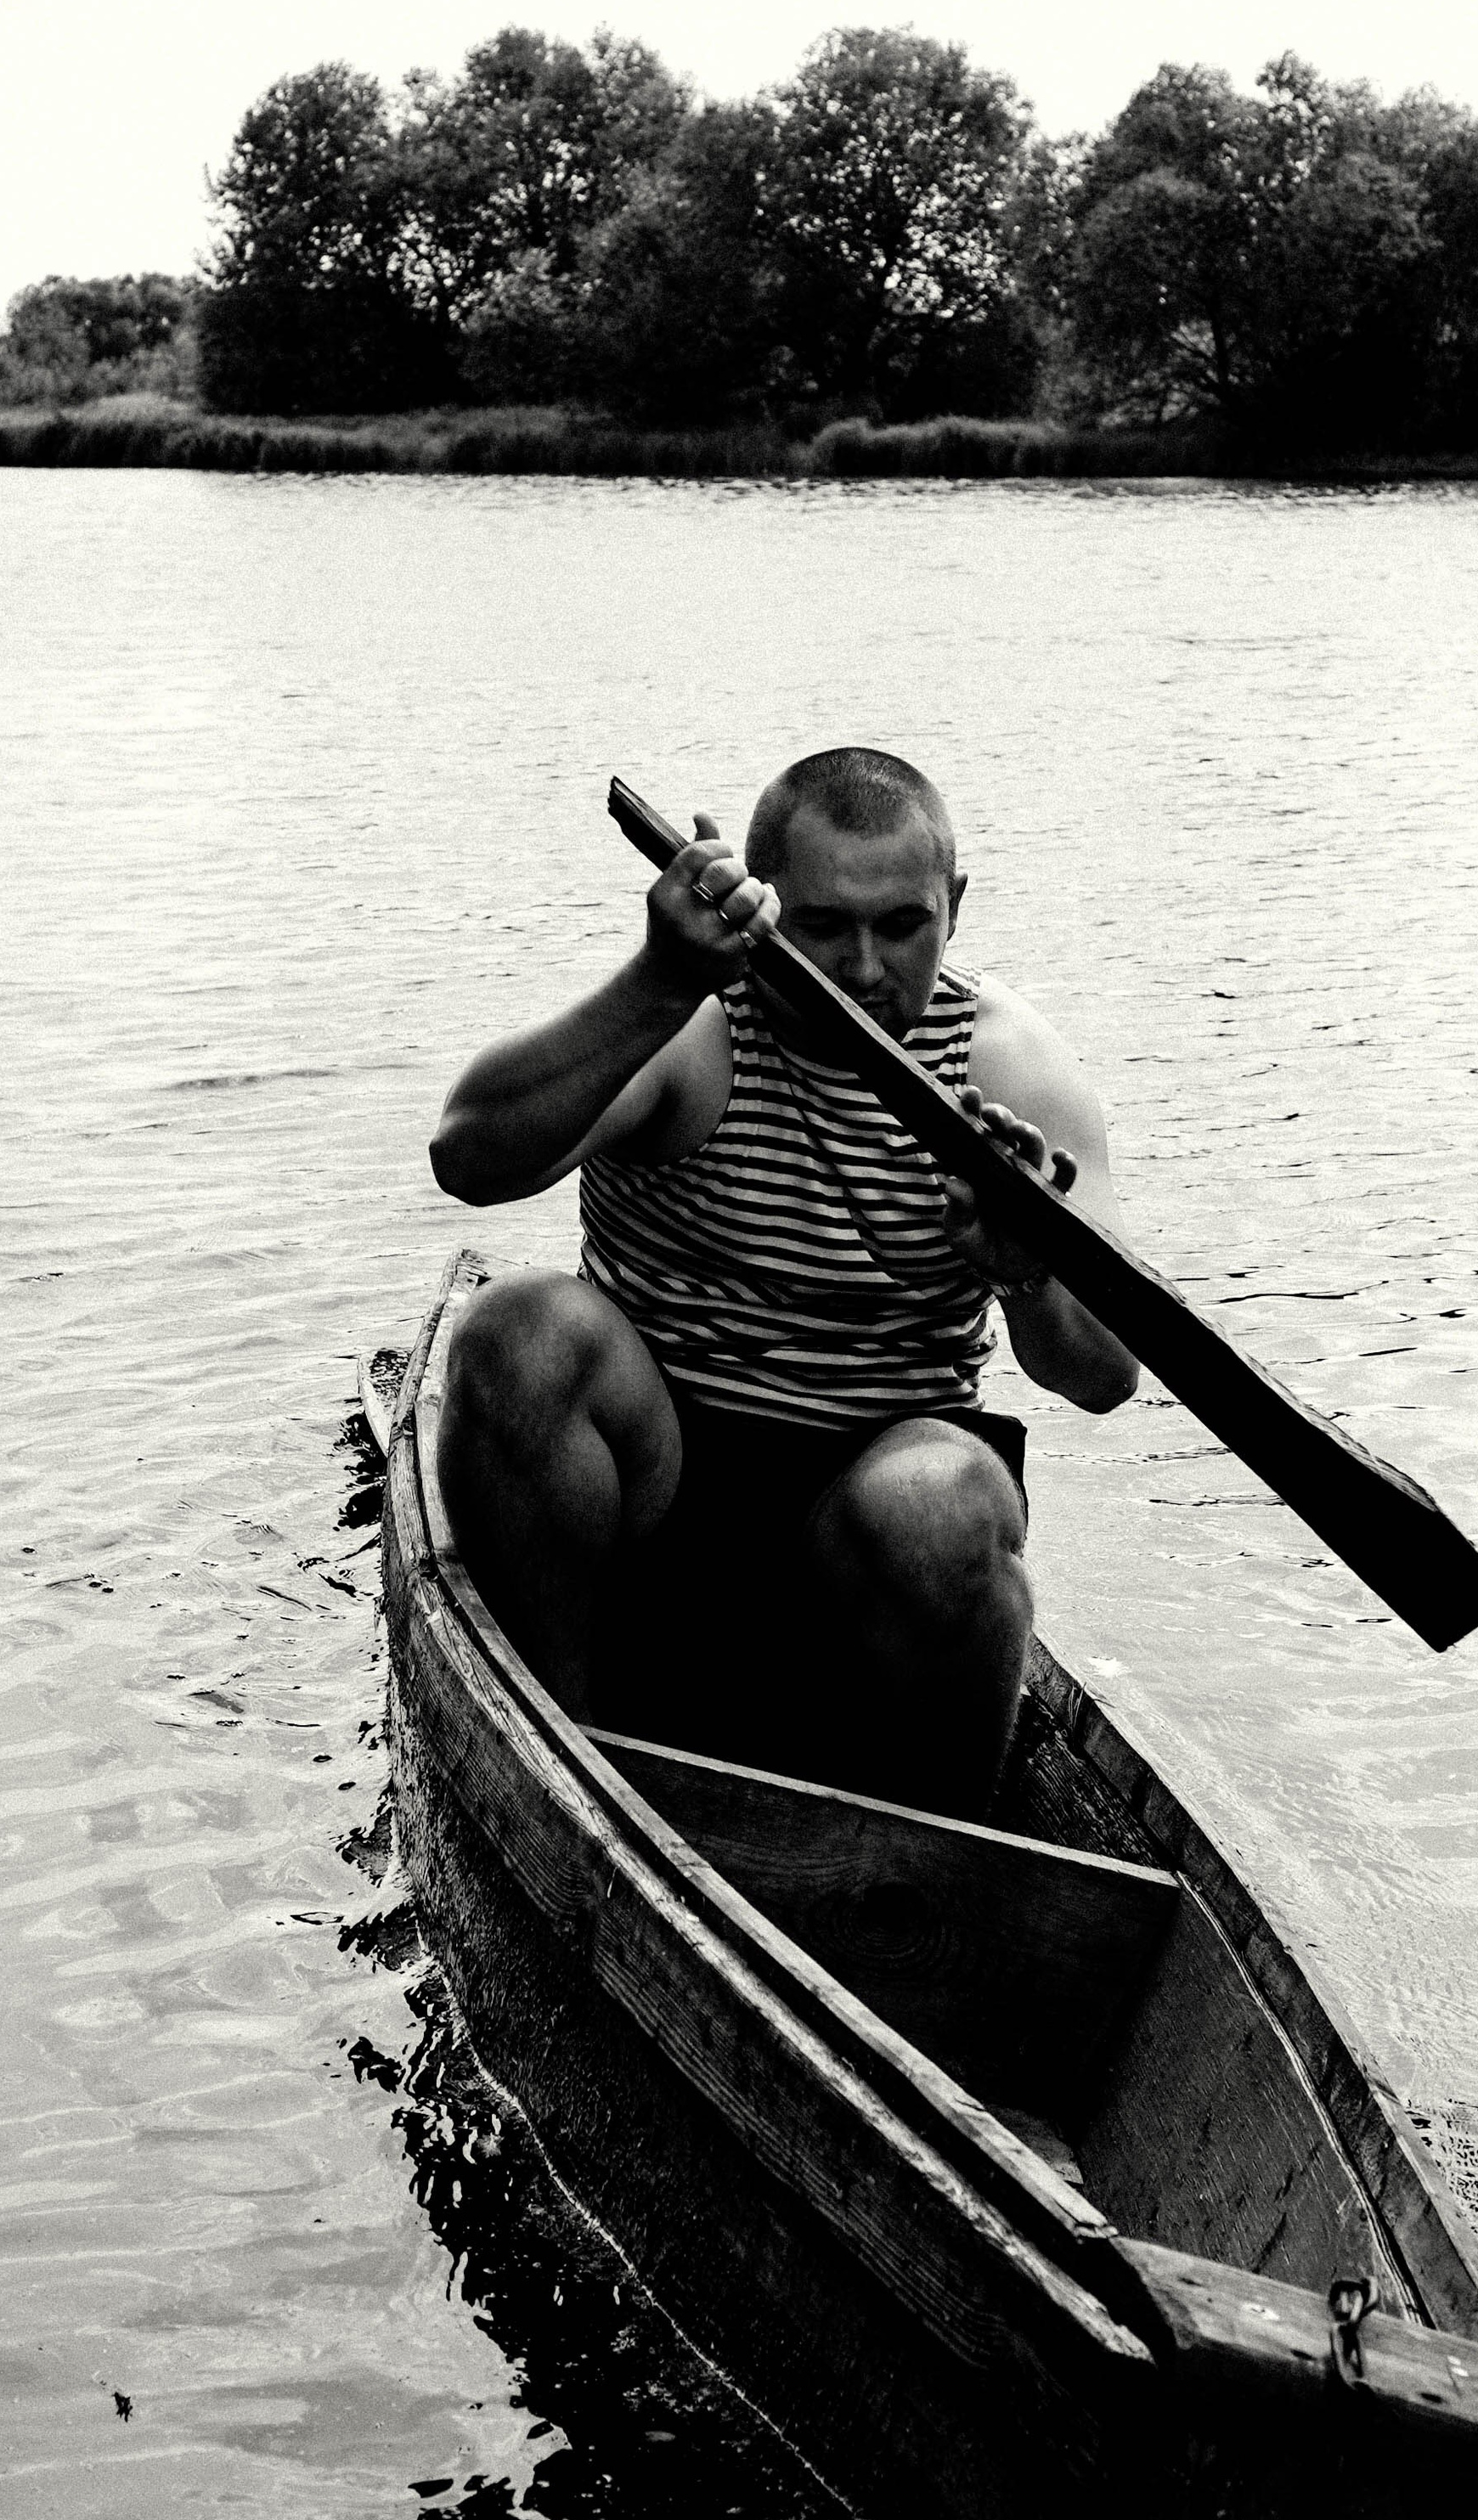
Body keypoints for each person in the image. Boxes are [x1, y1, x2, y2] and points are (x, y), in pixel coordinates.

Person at [427, 747, 1137, 1817]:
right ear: (762, 914)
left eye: (902, 926)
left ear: (955, 905)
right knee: (520, 1335)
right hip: (656, 1493)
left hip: (868, 1525)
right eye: (820, 928)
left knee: (944, 1504)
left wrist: (1026, 1274)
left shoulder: (1008, 1064)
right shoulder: (695, 1024)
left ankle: (930, 1858)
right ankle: (564, 1778)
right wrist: (657, 980)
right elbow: (469, 1157)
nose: (861, 971)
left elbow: (1102, 1376)